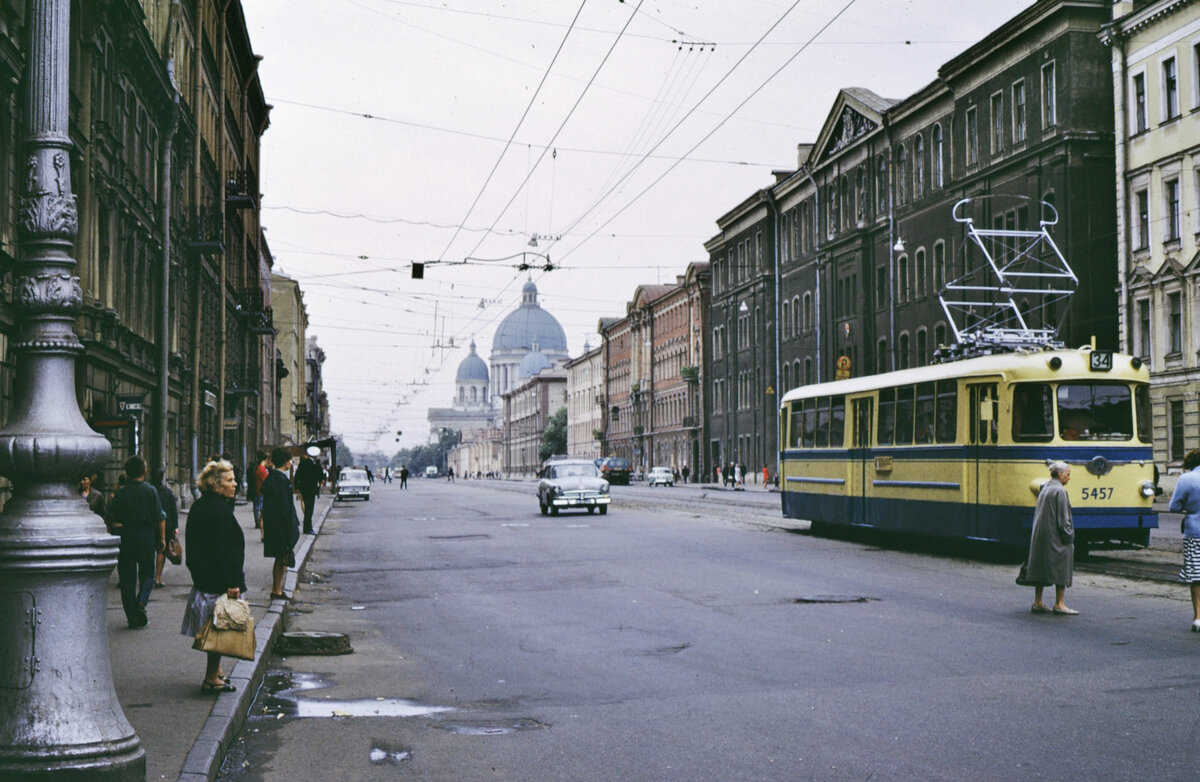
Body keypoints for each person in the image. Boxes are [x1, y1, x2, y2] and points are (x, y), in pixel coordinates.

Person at [180, 459, 246, 694]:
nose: (235, 484)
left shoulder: (201, 506)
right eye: (230, 480)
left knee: (215, 627)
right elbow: (226, 550)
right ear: (216, 485)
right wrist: (233, 583)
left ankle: (216, 672)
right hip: (220, 581)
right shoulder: (219, 511)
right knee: (219, 630)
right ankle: (210, 678)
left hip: (206, 577)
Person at [106, 455, 166, 629]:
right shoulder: (151, 491)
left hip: (126, 536)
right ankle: (141, 602)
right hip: (146, 534)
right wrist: (161, 538)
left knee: (127, 577)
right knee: (148, 572)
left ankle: (131, 617)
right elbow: (160, 517)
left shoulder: (121, 493)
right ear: (144, 470)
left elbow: (111, 517)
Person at [1021, 461, 1077, 615]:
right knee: (1062, 566)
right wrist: (1070, 536)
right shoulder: (1060, 491)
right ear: (1060, 475)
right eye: (1067, 474)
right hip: (1056, 537)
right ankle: (1060, 603)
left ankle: (1038, 602)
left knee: (1041, 567)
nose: (1069, 478)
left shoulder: (1045, 488)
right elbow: (1063, 519)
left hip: (1041, 536)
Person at [261, 446, 300, 601]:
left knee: (281, 558)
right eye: (289, 460)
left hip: (275, 525)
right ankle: (276, 590)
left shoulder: (272, 477)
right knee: (282, 559)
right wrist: (290, 527)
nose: (291, 462)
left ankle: (277, 589)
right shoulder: (280, 480)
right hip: (281, 527)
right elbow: (285, 507)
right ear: (285, 461)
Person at [1168, 449, 1200, 632]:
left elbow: (1174, 506)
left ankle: (1198, 617)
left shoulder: (1186, 479)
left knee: (1196, 576)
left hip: (1194, 531)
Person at [152, 468, 180, 588]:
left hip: (150, 524)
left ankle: (148, 578)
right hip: (167, 525)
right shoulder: (168, 492)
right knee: (161, 551)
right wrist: (175, 526)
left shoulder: (149, 491)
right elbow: (173, 510)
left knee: (149, 552)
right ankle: (157, 578)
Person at [294, 448, 323, 535]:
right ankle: (308, 528)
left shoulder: (302, 463)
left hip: (304, 488)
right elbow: (319, 476)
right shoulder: (315, 465)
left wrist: (297, 487)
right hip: (311, 489)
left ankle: (306, 527)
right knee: (309, 510)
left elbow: (297, 475)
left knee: (307, 509)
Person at [250, 451, 269, 530]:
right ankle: (258, 523)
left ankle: (258, 522)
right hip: (260, 491)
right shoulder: (261, 469)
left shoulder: (258, 467)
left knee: (257, 507)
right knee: (259, 508)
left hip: (258, 490)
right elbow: (266, 480)